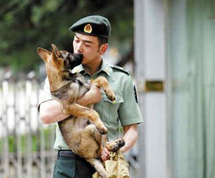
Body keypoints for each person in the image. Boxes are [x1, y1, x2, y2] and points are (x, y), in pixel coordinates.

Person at [38, 15, 143, 178]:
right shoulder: (59, 74)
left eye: (86, 44)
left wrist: (115, 151)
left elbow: (132, 130)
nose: (78, 47)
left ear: (102, 49)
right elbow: (46, 115)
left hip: (106, 161)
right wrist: (88, 98)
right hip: (69, 165)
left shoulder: (121, 79)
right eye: (76, 40)